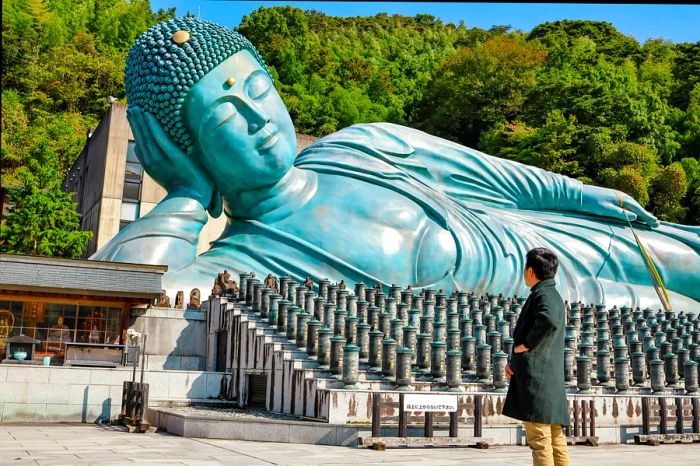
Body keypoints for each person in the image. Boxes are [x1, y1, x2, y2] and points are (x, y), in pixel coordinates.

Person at [91, 17, 699, 311]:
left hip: (545, 240)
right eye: (224, 119)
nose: (257, 118)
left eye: (255, 88)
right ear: (188, 148)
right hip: (534, 311)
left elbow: (504, 178)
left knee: (685, 256)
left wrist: (586, 195)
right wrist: (186, 195)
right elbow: (130, 295)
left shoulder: (361, 144)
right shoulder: (238, 259)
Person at [503, 248, 569, 466]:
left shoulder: (543, 295)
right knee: (556, 439)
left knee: (540, 441)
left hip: (537, 382)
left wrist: (525, 345)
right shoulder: (553, 294)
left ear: (530, 271)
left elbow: (547, 320)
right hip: (548, 382)